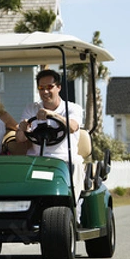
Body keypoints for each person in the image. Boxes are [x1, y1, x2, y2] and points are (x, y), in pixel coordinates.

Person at [15, 69, 85, 223]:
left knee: (77, 163)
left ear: (58, 87)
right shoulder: (31, 108)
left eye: (49, 87)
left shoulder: (72, 108)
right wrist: (22, 128)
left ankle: (74, 209)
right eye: (41, 88)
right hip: (37, 159)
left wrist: (52, 115)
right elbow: (19, 139)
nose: (45, 91)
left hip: (64, 158)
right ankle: (24, 214)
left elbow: (73, 127)